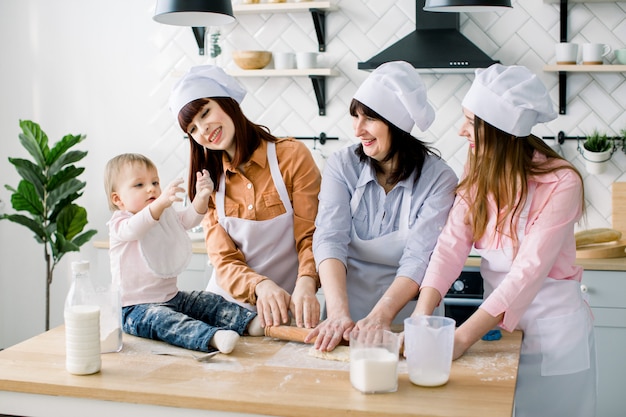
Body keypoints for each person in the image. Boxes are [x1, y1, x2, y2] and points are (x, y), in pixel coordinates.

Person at [411, 64, 596, 417]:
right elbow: (451, 244)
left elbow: (528, 271)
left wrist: (463, 337)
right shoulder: (478, 171)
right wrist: (423, 318)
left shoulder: (561, 182)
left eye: (471, 122)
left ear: (499, 130)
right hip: (499, 333)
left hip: (553, 338)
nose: (461, 129)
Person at [305, 61, 458, 352]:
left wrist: (381, 316)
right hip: (341, 320)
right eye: (355, 117)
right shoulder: (341, 165)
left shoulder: (439, 179)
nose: (358, 129)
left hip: (404, 322)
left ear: (397, 125)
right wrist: (338, 314)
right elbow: (329, 238)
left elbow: (419, 258)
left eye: (370, 119)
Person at [169, 65, 322, 330]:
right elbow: (224, 260)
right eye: (193, 129)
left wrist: (307, 281)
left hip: (286, 308)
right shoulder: (210, 182)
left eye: (205, 112)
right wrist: (260, 285)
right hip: (225, 310)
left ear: (227, 104)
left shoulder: (292, 157)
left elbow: (313, 235)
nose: (204, 130)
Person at [105, 153, 263, 354]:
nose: (151, 188)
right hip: (135, 310)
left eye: (155, 182)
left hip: (173, 298)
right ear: (118, 199)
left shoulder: (162, 216)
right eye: (139, 185)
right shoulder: (120, 223)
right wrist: (160, 203)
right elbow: (135, 228)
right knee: (166, 321)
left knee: (207, 300)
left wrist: (201, 196)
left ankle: (249, 322)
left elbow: (189, 220)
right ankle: (212, 337)